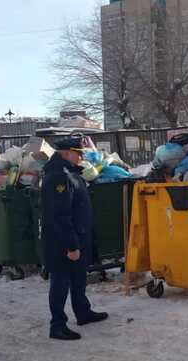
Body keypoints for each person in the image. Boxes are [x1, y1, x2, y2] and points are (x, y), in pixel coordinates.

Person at [41, 135, 108, 340]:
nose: (80, 157)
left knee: (78, 279)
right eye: (78, 154)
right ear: (67, 153)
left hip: (77, 236)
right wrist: (71, 245)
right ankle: (57, 325)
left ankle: (83, 312)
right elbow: (60, 215)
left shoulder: (70, 173)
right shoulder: (59, 177)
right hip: (62, 241)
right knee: (61, 282)